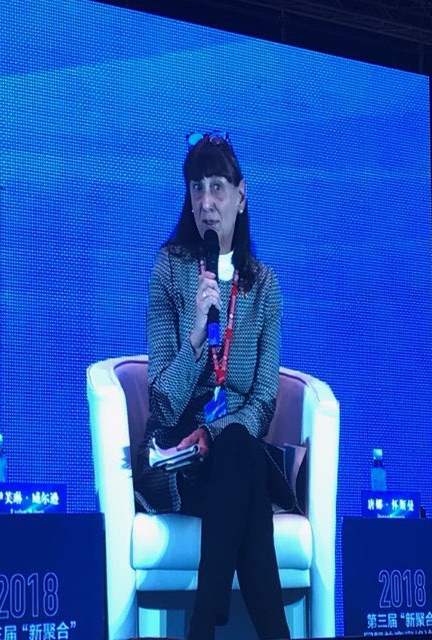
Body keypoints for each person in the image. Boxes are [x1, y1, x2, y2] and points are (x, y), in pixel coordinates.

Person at [134, 132, 293, 640]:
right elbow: (162, 403)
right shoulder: (170, 270)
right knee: (245, 473)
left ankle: (202, 625)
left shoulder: (264, 286)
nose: (206, 201)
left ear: (240, 197)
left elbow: (263, 399)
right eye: (196, 187)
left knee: (239, 446)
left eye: (218, 187)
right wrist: (198, 338)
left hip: (232, 448)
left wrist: (217, 432)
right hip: (179, 456)